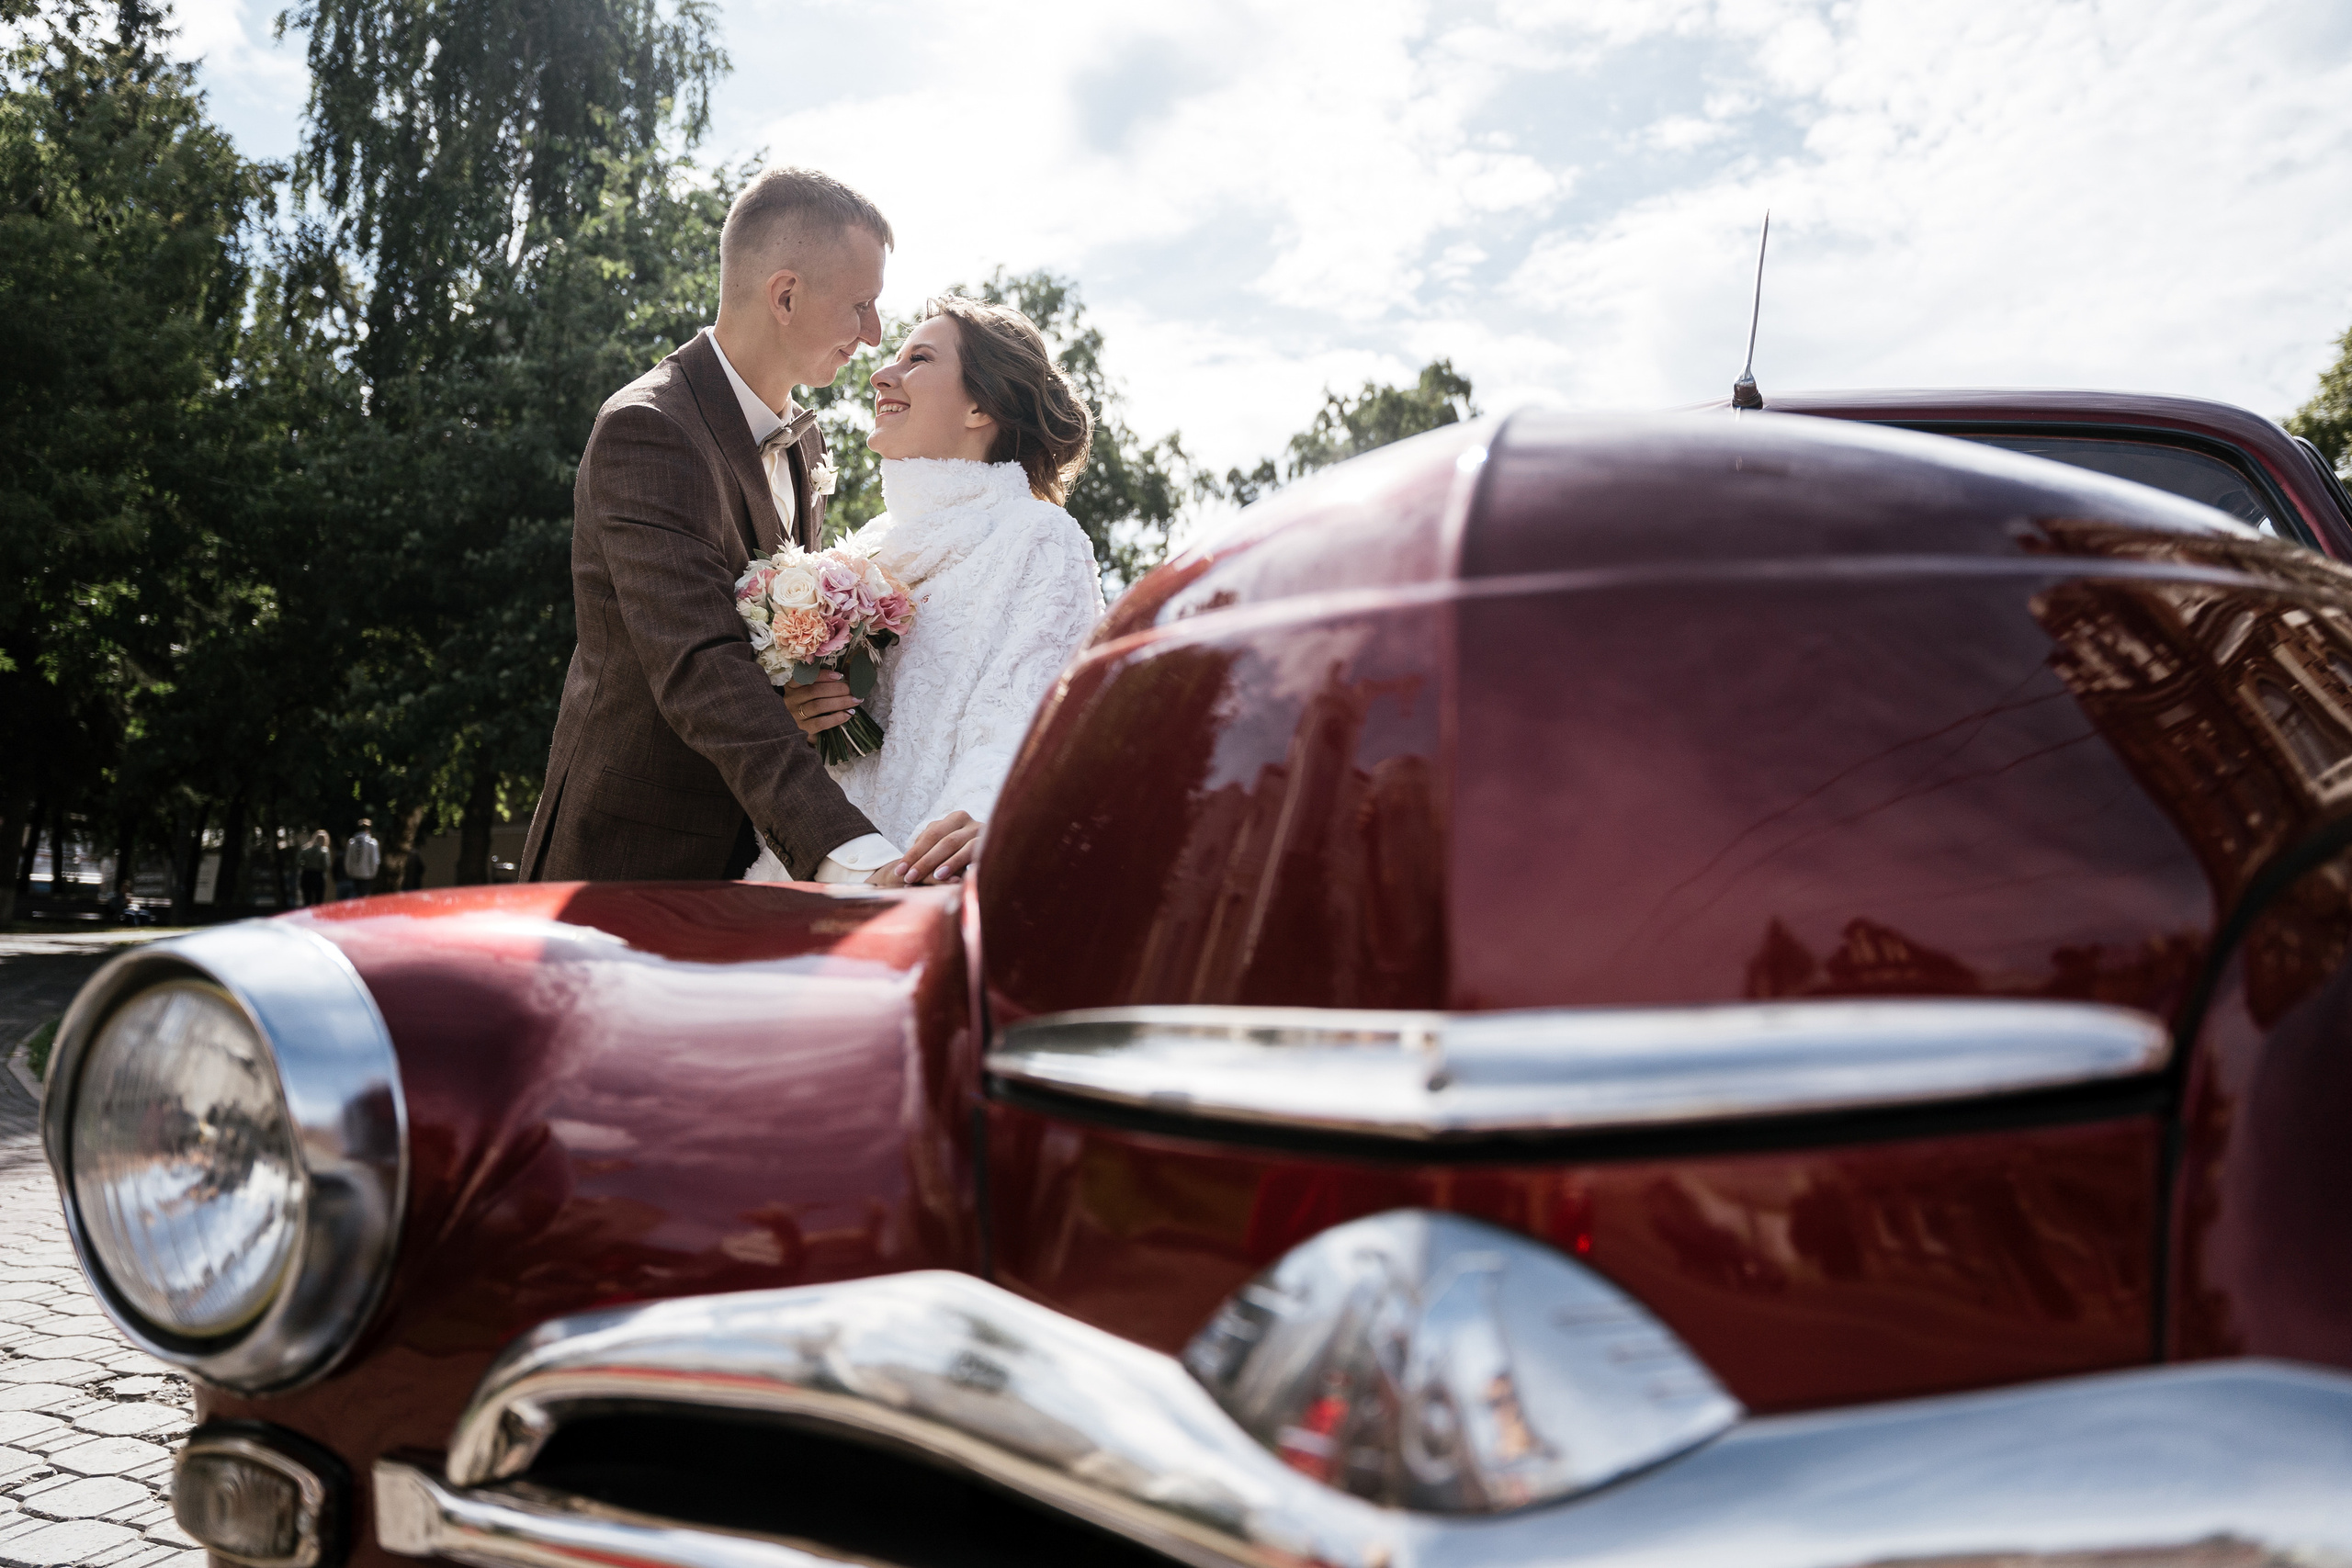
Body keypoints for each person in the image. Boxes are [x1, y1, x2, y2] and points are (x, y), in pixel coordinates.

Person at [520, 165, 903, 886]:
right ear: (785, 296)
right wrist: (850, 852)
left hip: (755, 863)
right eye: (861, 305)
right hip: (634, 863)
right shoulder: (650, 429)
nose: (875, 334)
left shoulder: (809, 445)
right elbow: (701, 667)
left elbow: (766, 651)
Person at [761, 298, 1103, 886]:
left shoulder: (1040, 538)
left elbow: (1027, 715)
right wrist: (803, 714)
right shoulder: (868, 547)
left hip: (929, 878)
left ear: (981, 405)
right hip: (823, 870)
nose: (880, 375)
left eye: (918, 359)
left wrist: (986, 812)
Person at [344, 819, 381, 898]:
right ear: (368, 830)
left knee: (355, 897)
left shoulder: (352, 843)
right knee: (364, 897)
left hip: (354, 874)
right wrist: (373, 873)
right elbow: (375, 861)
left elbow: (347, 860)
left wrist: (349, 872)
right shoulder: (371, 843)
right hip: (367, 875)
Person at [298, 830, 332, 907]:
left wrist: (305, 865)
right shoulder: (324, 851)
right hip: (318, 875)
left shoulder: (305, 849)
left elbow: (298, 862)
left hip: (306, 874)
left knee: (307, 900)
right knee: (319, 901)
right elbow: (326, 865)